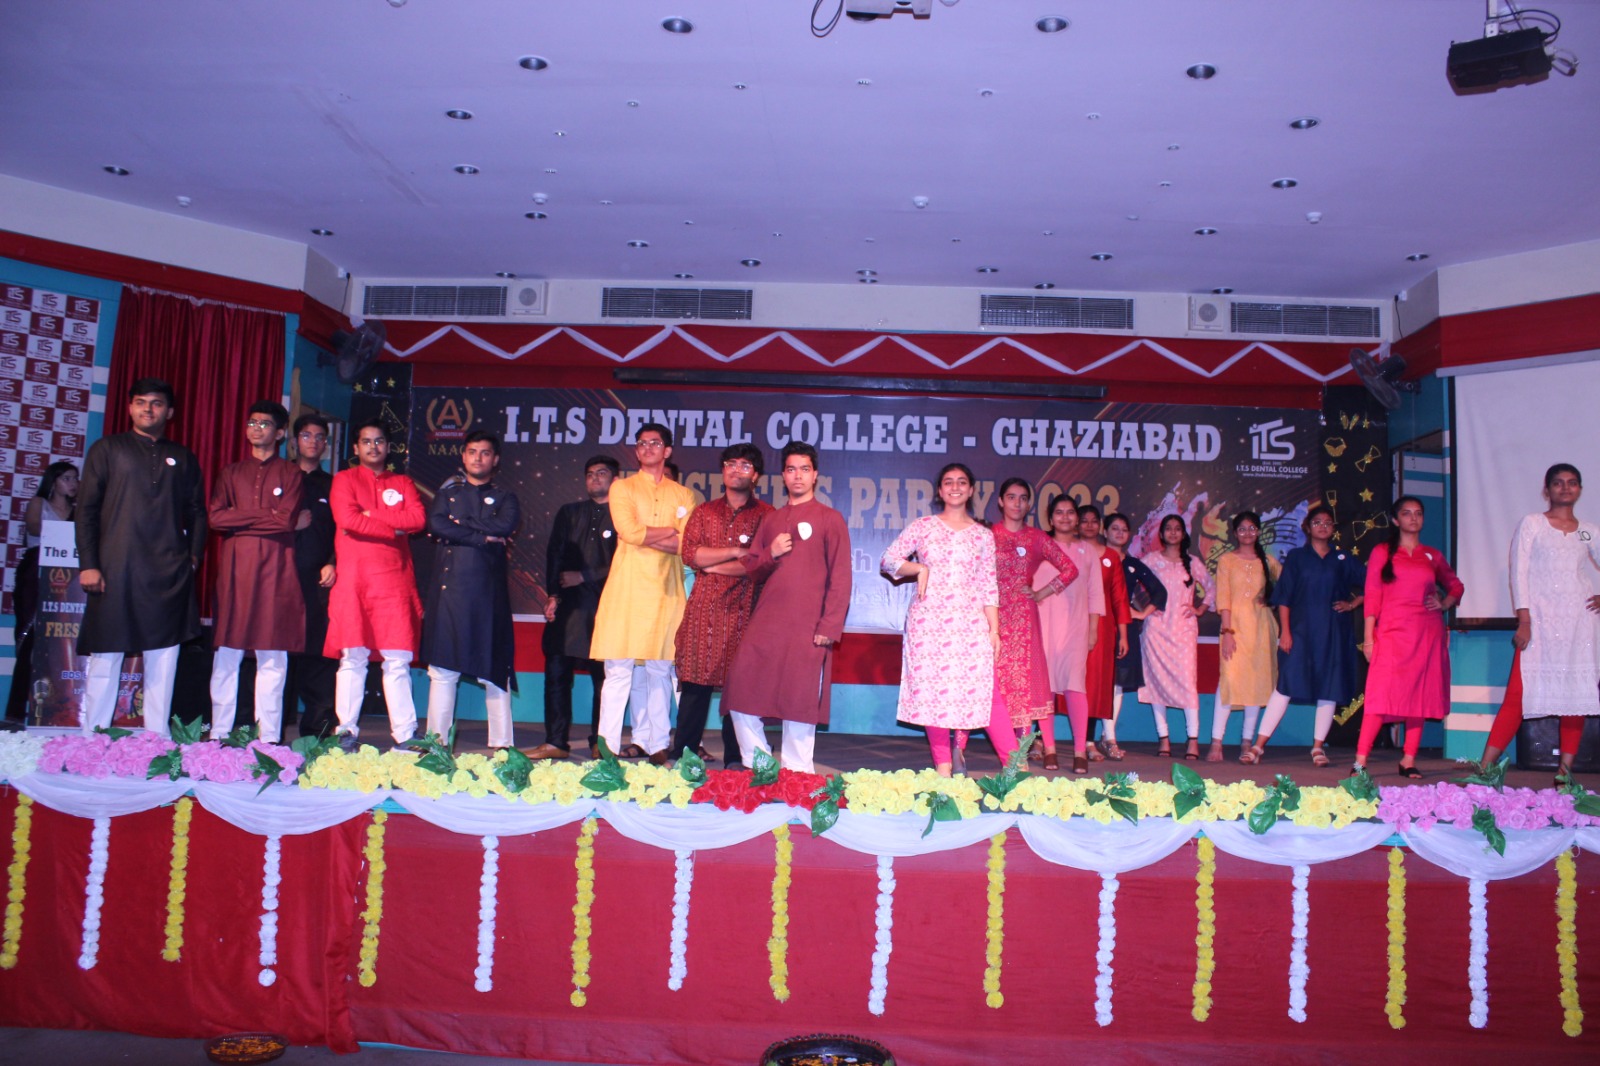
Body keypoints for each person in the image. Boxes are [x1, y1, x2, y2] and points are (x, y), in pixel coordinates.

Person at [76, 378, 207, 736]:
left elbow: (197, 512)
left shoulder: (182, 456)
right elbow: (86, 510)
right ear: (130, 407)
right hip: (115, 566)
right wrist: (89, 564)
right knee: (106, 654)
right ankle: (94, 739)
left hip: (168, 571)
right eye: (140, 402)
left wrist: (193, 558)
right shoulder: (107, 449)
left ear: (170, 411)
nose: (148, 409)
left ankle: (156, 740)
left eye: (157, 403)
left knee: (163, 657)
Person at [721, 442, 851, 773]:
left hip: (809, 625)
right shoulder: (772, 520)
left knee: (799, 699)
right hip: (767, 621)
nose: (798, 476)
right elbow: (754, 569)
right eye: (791, 469)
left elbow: (841, 577)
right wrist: (772, 553)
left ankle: (797, 773)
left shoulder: (830, 519)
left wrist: (829, 625)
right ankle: (760, 763)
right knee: (739, 689)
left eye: (804, 469)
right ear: (783, 475)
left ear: (815, 475)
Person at [879, 462, 1010, 776]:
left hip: (971, 623)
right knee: (932, 692)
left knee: (985, 691)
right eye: (948, 482)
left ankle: (1015, 765)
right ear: (940, 490)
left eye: (961, 482)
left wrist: (994, 629)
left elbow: (988, 584)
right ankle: (943, 766)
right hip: (929, 623)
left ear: (971, 489)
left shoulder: (983, 536)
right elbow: (888, 560)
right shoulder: (923, 526)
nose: (955, 487)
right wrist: (918, 568)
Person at [1479, 464, 1600, 782]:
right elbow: (1518, 571)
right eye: (1558, 483)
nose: (1565, 488)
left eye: (1572, 483)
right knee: (1517, 695)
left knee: (1574, 698)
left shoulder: (1588, 530)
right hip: (1540, 622)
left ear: (1580, 489)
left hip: (1578, 624)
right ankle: (1484, 769)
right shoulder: (1533, 523)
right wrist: (1525, 619)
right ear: (1547, 490)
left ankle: (1565, 775)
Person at [589, 423, 695, 763]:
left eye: (655, 443)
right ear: (636, 451)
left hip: (666, 591)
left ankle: (658, 744)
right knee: (618, 670)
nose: (648, 448)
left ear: (668, 451)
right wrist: (668, 532)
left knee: (661, 669)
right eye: (642, 443)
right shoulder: (622, 487)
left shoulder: (684, 495)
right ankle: (606, 747)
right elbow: (629, 531)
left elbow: (687, 545)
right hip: (628, 589)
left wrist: (649, 535)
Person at [207, 401, 308, 743]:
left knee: (272, 653)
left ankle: (268, 738)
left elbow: (285, 520)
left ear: (279, 433)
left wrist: (241, 517)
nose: (256, 428)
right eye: (252, 422)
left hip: (276, 570)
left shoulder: (291, 473)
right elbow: (216, 518)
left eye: (264, 424)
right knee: (227, 652)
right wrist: (266, 515)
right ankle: (219, 733)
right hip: (236, 571)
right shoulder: (231, 472)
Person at [325, 419, 427, 747]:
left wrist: (370, 517)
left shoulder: (403, 482)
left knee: (397, 660)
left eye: (379, 441)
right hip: (355, 581)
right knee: (352, 657)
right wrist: (393, 528)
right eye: (366, 441)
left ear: (388, 446)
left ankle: (405, 735)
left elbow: (417, 520)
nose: (373, 447)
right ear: (356, 448)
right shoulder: (344, 479)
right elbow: (347, 519)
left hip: (394, 581)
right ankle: (346, 731)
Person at [670, 443, 772, 764]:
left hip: (746, 612)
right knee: (694, 688)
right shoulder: (704, 512)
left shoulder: (767, 516)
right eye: (731, 463)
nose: (736, 470)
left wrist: (713, 565)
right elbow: (691, 554)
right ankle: (683, 757)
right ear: (723, 470)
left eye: (745, 465)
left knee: (737, 690)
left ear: (755, 475)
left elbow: (759, 564)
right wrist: (735, 552)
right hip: (704, 611)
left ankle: (735, 760)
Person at [422, 431, 521, 749]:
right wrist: (482, 537)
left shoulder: (506, 497)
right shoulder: (447, 493)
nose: (478, 458)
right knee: (443, 670)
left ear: (496, 459)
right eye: (472, 452)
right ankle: (436, 744)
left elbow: (504, 526)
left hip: (488, 596)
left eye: (485, 452)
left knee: (494, 671)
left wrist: (460, 525)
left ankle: (503, 748)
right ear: (463, 456)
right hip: (449, 594)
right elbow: (437, 525)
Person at [1354, 496, 1463, 778]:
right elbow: (1373, 595)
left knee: (1419, 695)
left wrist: (1444, 603)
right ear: (1395, 519)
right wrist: (1369, 638)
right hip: (1391, 634)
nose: (1413, 518)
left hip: (1426, 634)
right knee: (1379, 696)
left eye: (1418, 513)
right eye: (1406, 513)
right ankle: (1360, 763)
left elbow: (1456, 586)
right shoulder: (1382, 552)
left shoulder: (1432, 555)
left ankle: (1408, 759)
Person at [1247, 505, 1364, 766]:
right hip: (1300, 632)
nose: (1323, 526)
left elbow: (1374, 583)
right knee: (1285, 685)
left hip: (1333, 634)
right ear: (1307, 527)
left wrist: (1353, 604)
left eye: (1328, 523)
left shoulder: (1342, 558)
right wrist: (1286, 632)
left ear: (1333, 529)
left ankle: (1318, 748)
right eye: (1317, 522)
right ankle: (1258, 746)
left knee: (1329, 688)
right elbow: (1285, 598)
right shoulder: (1297, 557)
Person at [532, 455, 618, 761]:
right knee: (556, 673)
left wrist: (585, 576)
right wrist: (552, 594)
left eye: (602, 473)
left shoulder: (624, 517)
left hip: (607, 606)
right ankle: (555, 740)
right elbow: (554, 554)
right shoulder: (569, 512)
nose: (595, 478)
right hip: (568, 606)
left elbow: (625, 562)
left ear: (615, 480)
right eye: (590, 473)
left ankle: (600, 741)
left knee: (603, 680)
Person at [1015, 491, 1086, 771]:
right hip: (1040, 625)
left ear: (1077, 518)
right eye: (1059, 512)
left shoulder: (1088, 550)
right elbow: (1020, 577)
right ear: (1050, 518)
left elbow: (1095, 595)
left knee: (1075, 686)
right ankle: (1050, 748)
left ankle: (1080, 751)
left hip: (1076, 628)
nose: (1065, 517)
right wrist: (1033, 594)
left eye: (1070, 512)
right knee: (1044, 688)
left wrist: (1093, 630)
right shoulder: (1039, 546)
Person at [5, 461, 78, 724]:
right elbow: (35, 528)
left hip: (66, 580)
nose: (73, 484)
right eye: (66, 478)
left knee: (61, 644)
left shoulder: (79, 511)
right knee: (30, 642)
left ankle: (55, 712)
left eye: (75, 479)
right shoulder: (39, 504)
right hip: (35, 574)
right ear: (53, 481)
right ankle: (15, 713)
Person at [1139, 513, 1213, 758]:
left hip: (1183, 630)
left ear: (1183, 533)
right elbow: (1129, 582)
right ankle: (1164, 738)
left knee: (1188, 684)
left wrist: (1200, 609)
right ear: (1161, 534)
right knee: (1155, 683)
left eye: (1177, 528)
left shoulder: (1193, 562)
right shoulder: (1151, 560)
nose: (1172, 532)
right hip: (1156, 629)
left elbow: (1211, 588)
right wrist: (1142, 611)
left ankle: (1193, 740)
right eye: (1168, 528)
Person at [1210, 511, 1281, 763]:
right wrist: (1227, 632)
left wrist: (1272, 599)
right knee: (1228, 681)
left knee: (1256, 683)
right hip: (1234, 628)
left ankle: (1247, 742)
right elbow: (1224, 598)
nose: (1247, 533)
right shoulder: (1227, 560)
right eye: (1242, 529)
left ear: (1259, 531)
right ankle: (1216, 742)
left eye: (1252, 528)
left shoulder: (1268, 562)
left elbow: (1287, 587)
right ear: (1235, 533)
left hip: (1261, 629)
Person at [285, 414, 338, 738]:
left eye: (320, 437)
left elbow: (342, 531)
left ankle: (317, 729)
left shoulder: (334, 484)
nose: (313, 442)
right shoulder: (281, 476)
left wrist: (333, 562)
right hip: (280, 578)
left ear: (326, 445)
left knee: (319, 652)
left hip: (319, 581)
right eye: (306, 435)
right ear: (294, 441)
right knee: (277, 653)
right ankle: (271, 729)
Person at [1102, 512, 1164, 760]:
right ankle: (1090, 741)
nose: (1119, 533)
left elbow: (1159, 592)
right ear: (1105, 532)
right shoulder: (1095, 559)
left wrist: (1140, 614)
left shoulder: (1133, 564)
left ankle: (1109, 738)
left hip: (1123, 631)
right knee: (1095, 683)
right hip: (1096, 627)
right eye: (1114, 528)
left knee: (1116, 684)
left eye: (1124, 529)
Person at [1075, 504, 1124, 762]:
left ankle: (1089, 741)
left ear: (1100, 525)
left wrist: (1123, 634)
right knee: (1058, 680)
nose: (1089, 525)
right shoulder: (1067, 550)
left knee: (1093, 685)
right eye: (1084, 520)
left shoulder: (1111, 557)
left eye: (1094, 521)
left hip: (1102, 629)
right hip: (1069, 624)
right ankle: (1040, 739)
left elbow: (1119, 598)